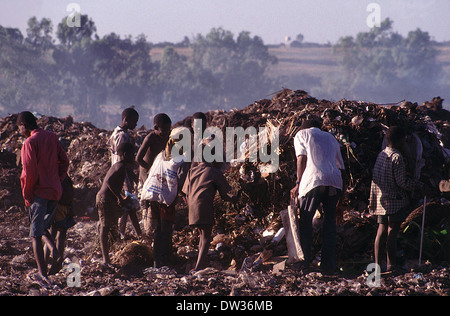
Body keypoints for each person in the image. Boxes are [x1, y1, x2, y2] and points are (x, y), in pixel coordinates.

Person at [17, 111, 70, 284]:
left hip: (39, 193)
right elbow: (65, 161)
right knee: (41, 227)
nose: (19, 131)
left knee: (35, 234)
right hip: (55, 191)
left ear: (23, 125)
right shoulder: (51, 137)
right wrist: (58, 179)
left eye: (19, 128)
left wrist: (27, 194)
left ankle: (43, 273)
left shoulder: (29, 142)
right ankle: (54, 250)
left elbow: (28, 173)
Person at [290, 119, 344, 274]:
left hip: (312, 181)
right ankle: (329, 266)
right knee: (329, 226)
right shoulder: (331, 138)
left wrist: (298, 183)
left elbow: (301, 158)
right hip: (334, 182)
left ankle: (304, 264)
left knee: (305, 222)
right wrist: (341, 200)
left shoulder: (302, 134)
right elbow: (341, 168)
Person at [369, 126, 423, 273]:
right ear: (400, 141)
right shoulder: (397, 157)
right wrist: (418, 185)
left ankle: (377, 266)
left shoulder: (381, 154)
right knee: (392, 232)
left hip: (381, 200)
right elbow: (402, 182)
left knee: (381, 230)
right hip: (394, 199)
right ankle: (391, 265)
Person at [182, 158, 238, 272]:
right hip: (204, 206)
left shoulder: (191, 171)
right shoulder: (214, 172)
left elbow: (185, 193)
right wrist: (236, 198)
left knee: (202, 238)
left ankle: (199, 264)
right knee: (206, 238)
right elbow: (225, 195)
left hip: (192, 209)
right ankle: (199, 267)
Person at [96, 142, 136, 265]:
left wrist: (122, 197)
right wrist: (119, 197)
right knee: (105, 227)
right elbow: (108, 181)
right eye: (132, 154)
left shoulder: (122, 166)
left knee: (112, 225)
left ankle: (109, 255)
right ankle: (105, 259)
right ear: (125, 154)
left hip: (110, 199)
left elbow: (116, 184)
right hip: (104, 199)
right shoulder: (119, 167)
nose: (134, 156)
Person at [107, 107, 141, 238]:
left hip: (118, 173)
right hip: (122, 176)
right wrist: (131, 176)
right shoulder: (122, 136)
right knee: (128, 205)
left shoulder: (115, 133)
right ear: (126, 120)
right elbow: (122, 159)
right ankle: (125, 234)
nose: (136, 125)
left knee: (125, 207)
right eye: (134, 121)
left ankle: (120, 233)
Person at [136, 113, 172, 236]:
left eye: (168, 130)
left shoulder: (168, 137)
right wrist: (150, 169)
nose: (166, 133)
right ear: (156, 128)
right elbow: (138, 158)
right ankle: (148, 230)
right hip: (147, 172)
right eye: (163, 131)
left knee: (159, 199)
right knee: (148, 200)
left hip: (158, 172)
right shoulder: (150, 138)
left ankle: (159, 227)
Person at [44, 175, 76, 274]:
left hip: (65, 207)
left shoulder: (64, 175)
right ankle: (45, 264)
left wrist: (70, 207)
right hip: (57, 206)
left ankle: (55, 264)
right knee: (52, 234)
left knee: (60, 234)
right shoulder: (56, 172)